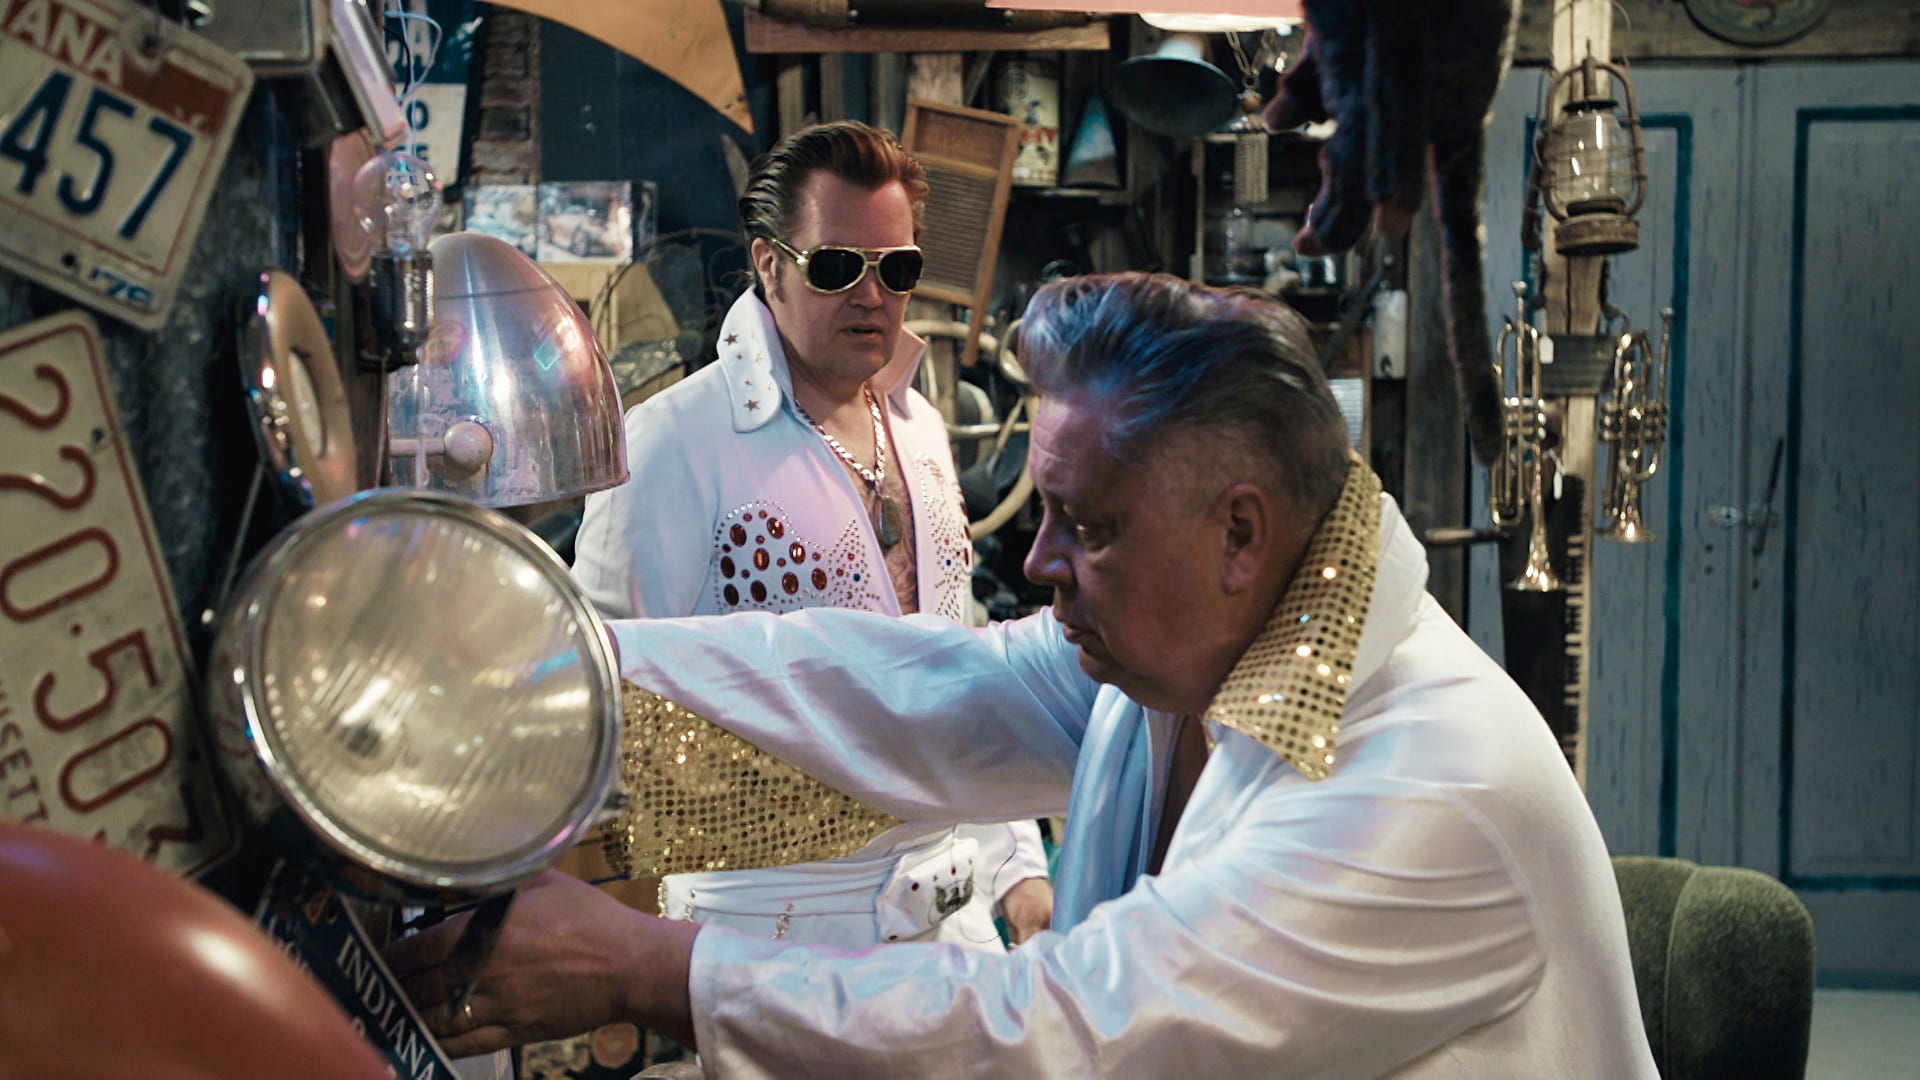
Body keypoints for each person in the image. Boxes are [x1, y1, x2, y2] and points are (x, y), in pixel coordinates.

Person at [393, 272, 1658, 1078]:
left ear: (1240, 534)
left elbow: (1065, 1033)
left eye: (1088, 527)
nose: (1039, 562)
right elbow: (896, 691)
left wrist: (645, 969)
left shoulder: (1427, 789)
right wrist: (549, 673)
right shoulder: (1196, 661)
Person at [569, 119, 1053, 953]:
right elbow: (606, 697)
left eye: (897, 269)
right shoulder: (674, 441)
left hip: (953, 922)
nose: (872, 295)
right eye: (836, 267)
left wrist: (1015, 862)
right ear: (769, 264)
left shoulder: (922, 429)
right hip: (770, 933)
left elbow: (959, 660)